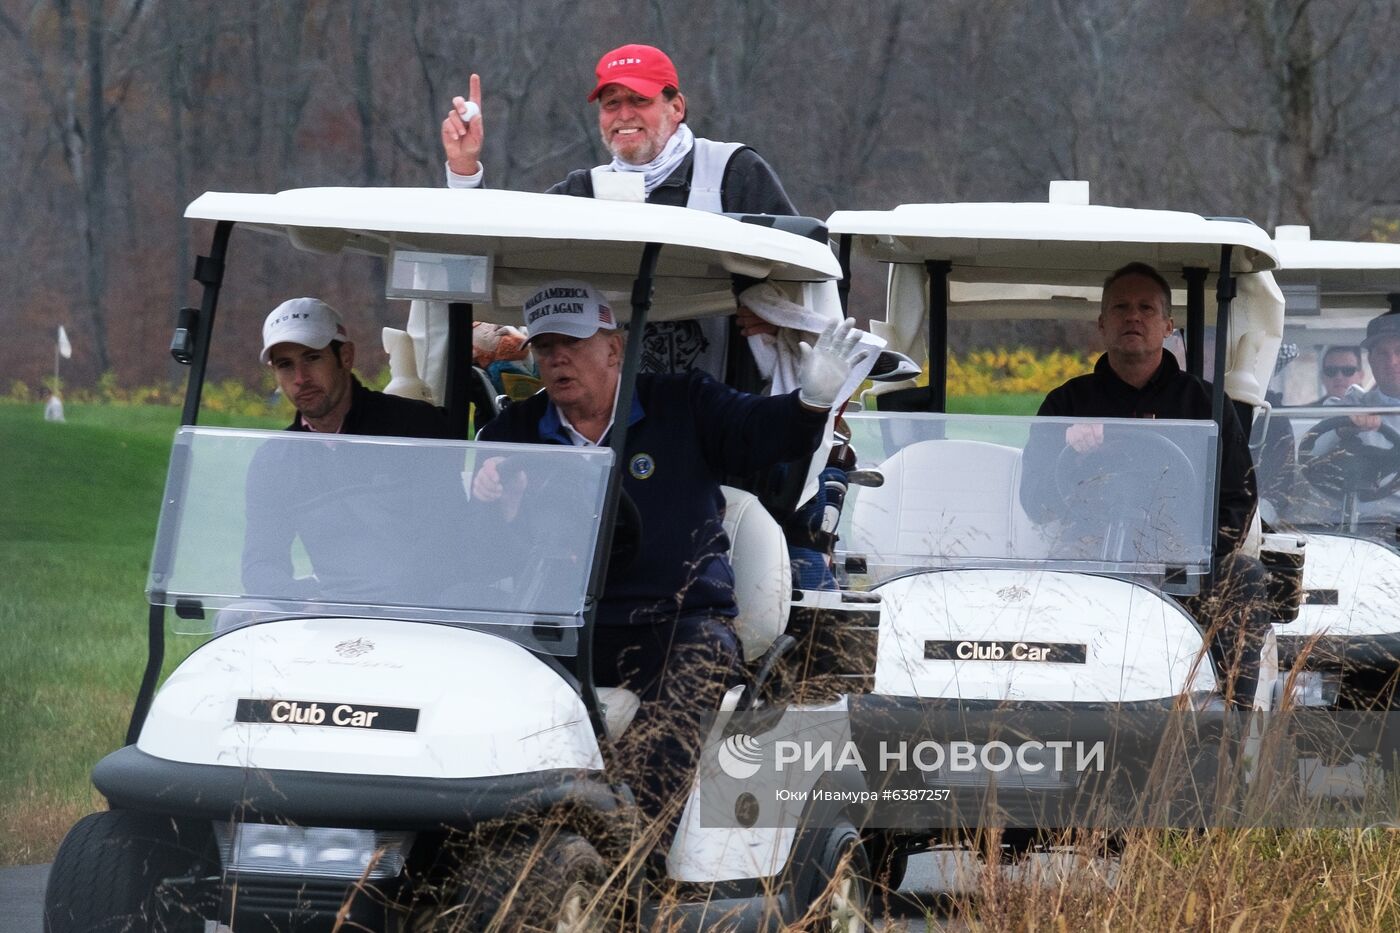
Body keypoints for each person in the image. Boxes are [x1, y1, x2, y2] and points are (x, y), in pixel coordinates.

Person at [471, 279, 867, 850]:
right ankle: (487, 843)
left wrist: (810, 403)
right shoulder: (514, 433)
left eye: (573, 344)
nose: (557, 359)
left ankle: (635, 850)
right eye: (545, 346)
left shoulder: (683, 403)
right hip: (562, 627)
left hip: (676, 622)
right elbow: (479, 557)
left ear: (615, 346)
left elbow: (760, 436)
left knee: (697, 666)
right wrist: (495, 511)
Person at [439, 43, 795, 381]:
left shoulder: (732, 172)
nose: (624, 114)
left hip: (724, 417)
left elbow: (804, 273)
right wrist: (465, 167)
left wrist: (782, 320)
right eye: (611, 103)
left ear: (677, 107)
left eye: (640, 100)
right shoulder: (584, 191)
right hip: (615, 423)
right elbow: (502, 242)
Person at [1019, 262, 1270, 709]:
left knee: (1243, 577)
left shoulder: (1205, 402)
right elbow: (1036, 502)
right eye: (1120, 307)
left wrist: (1190, 549)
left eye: (1146, 308)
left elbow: (1238, 499)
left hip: (1181, 562)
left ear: (1168, 325)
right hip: (1087, 554)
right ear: (1102, 323)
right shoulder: (1067, 403)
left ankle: (1230, 725)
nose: (1133, 317)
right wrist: (1071, 449)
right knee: (1014, 591)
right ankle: (1026, 709)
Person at [242, 298, 462, 599]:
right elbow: (261, 562)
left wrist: (368, 600)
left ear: (345, 356)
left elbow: (447, 540)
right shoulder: (276, 459)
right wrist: (299, 598)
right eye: (285, 365)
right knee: (232, 621)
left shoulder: (416, 426)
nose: (300, 378)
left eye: (312, 358)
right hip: (331, 609)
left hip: (421, 609)